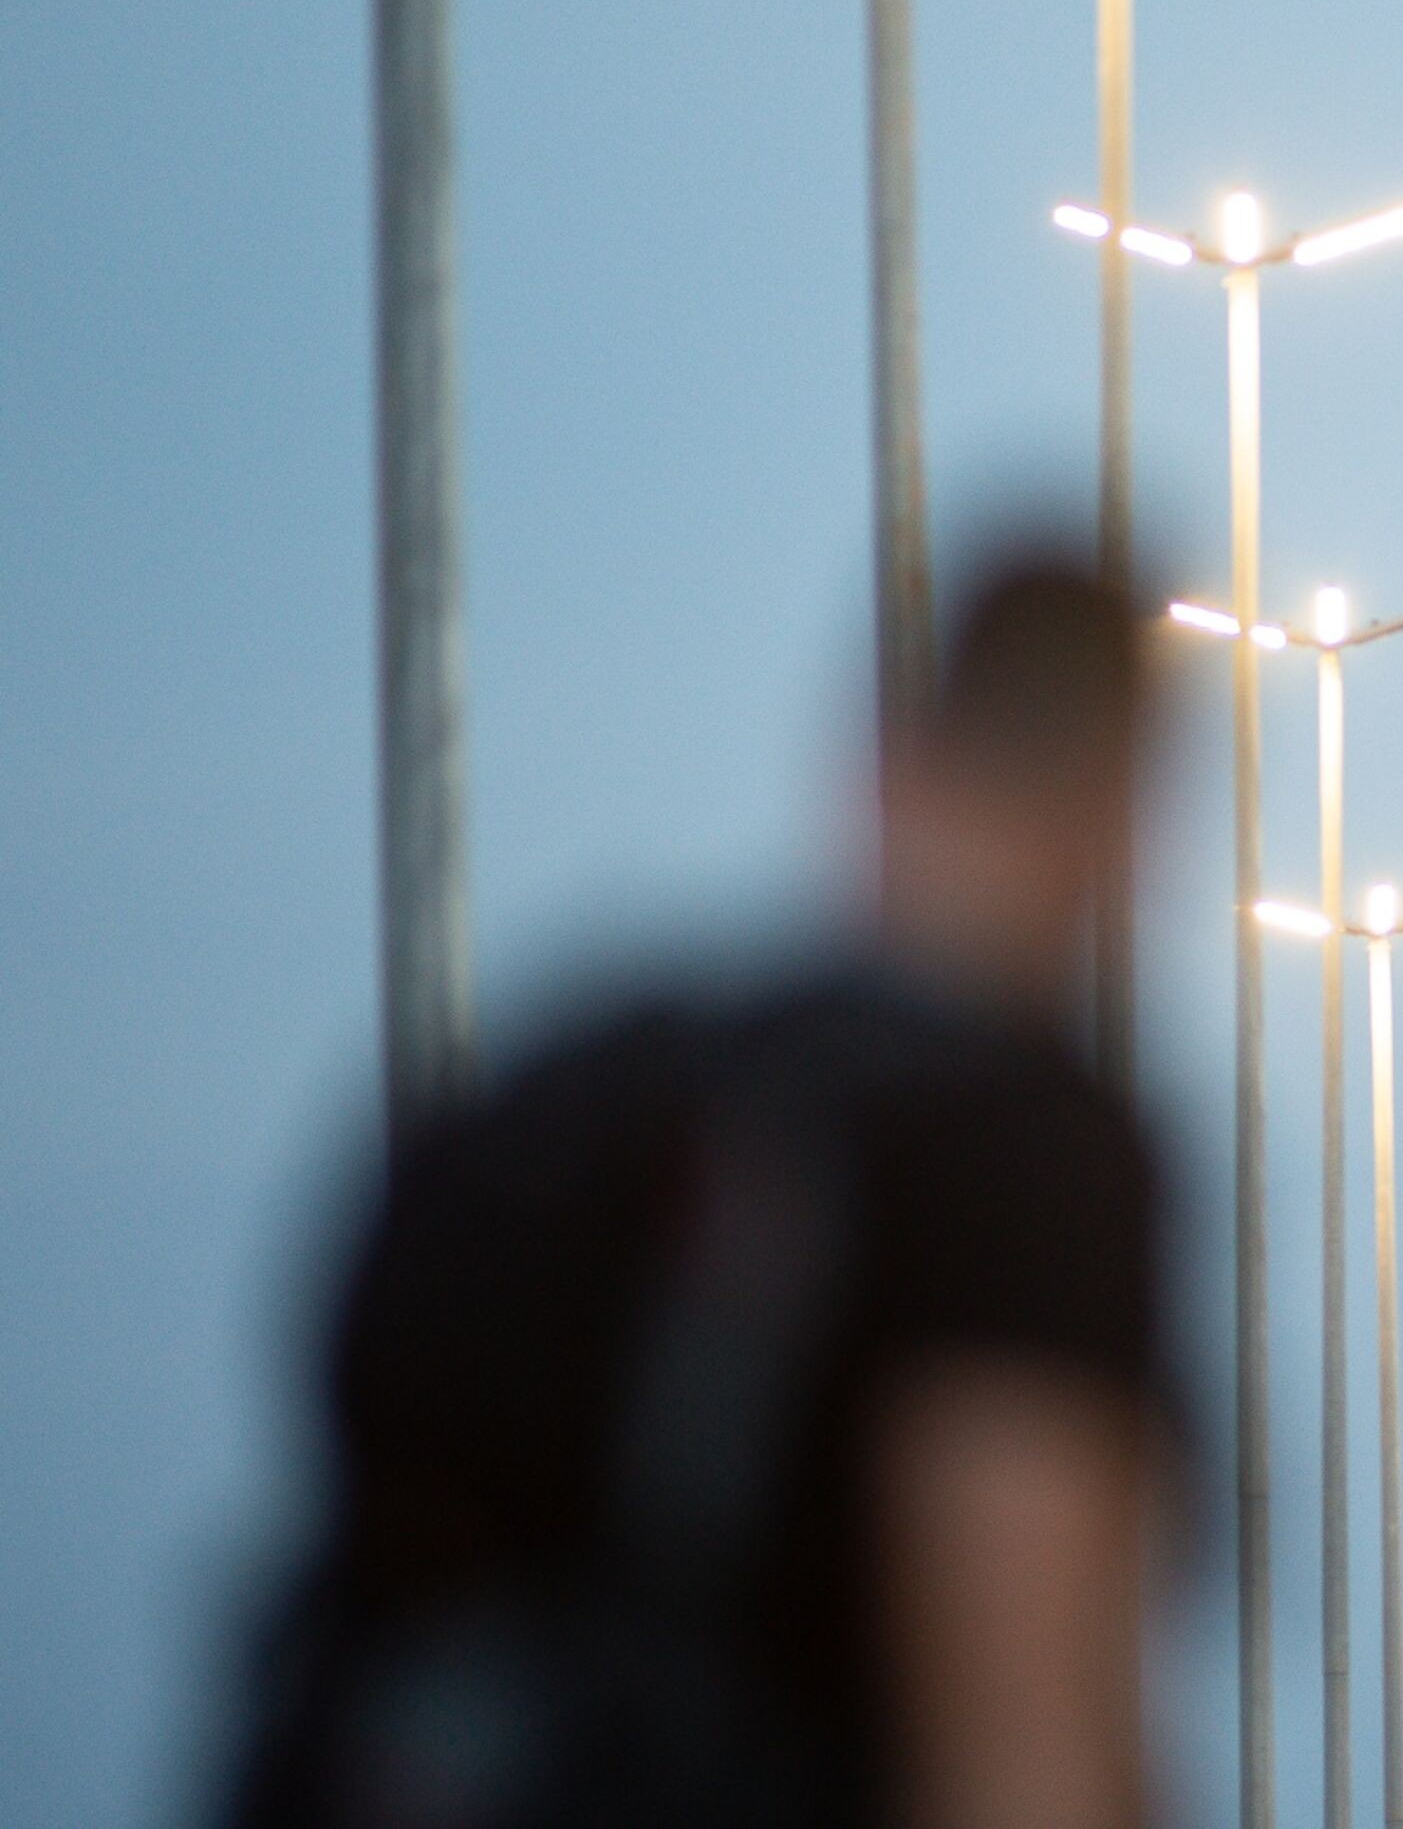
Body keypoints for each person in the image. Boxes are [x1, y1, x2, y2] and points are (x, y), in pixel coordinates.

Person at [226, 553, 1177, 1829]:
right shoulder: (1019, 1155)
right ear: (1119, 800)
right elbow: (1020, 1749)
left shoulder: (565, 1088)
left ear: (881, 764)